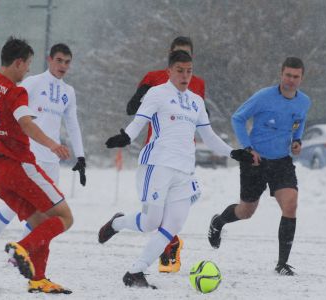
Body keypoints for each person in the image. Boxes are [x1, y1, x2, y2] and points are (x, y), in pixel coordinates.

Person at [98, 50, 253, 289]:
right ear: (169, 71)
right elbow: (139, 120)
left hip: (184, 171)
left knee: (173, 225)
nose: (185, 75)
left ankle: (135, 271)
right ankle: (117, 223)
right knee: (151, 222)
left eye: (189, 71)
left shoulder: (196, 101)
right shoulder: (157, 93)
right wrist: (126, 137)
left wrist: (233, 152)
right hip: (158, 164)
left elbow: (209, 136)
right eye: (180, 70)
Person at [0, 5, 73, 294]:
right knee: (65, 218)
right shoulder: (15, 92)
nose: (27, 70)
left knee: (41, 223)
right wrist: (52, 144)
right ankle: (21, 248)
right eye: (26, 65)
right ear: (17, 63)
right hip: (20, 166)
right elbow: (26, 123)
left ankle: (38, 279)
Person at [0, 42, 86, 271]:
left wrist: (80, 157)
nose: (63, 65)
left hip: (52, 162)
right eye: (59, 60)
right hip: (29, 158)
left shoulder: (68, 93)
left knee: (42, 216)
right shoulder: (31, 83)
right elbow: (16, 115)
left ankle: (22, 255)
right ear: (49, 60)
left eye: (67, 62)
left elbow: (73, 125)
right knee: (12, 210)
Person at [207, 57, 311, 276]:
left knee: (291, 204)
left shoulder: (304, 102)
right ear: (281, 74)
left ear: (302, 78)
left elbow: (300, 121)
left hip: (282, 161)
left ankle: (282, 263)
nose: (291, 80)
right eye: (288, 75)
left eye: (296, 76)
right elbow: (238, 118)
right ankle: (219, 221)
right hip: (256, 161)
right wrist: (247, 148)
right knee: (246, 211)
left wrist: (297, 140)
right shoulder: (264, 97)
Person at [126, 36, 206, 273]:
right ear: (169, 58)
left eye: (187, 55)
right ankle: (159, 248)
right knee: (153, 218)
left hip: (184, 156)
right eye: (178, 54)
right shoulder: (154, 79)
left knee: (174, 216)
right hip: (158, 154)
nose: (184, 71)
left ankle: (165, 252)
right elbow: (132, 108)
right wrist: (150, 99)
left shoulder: (197, 83)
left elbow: (203, 114)